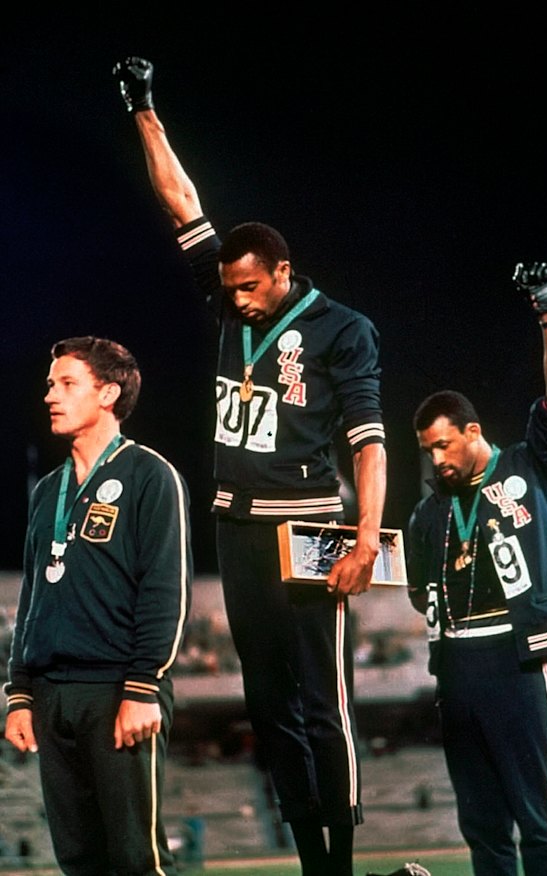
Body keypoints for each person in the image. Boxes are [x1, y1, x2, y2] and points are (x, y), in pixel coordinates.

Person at [113, 57, 387, 876]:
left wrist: (366, 537)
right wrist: (144, 109)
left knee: (323, 703)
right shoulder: (229, 295)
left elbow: (369, 441)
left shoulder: (344, 330)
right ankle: (310, 859)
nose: (233, 301)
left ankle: (341, 856)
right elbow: (183, 205)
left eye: (247, 288)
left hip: (312, 529)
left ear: (281, 272)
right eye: (227, 289)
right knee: (269, 708)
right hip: (237, 526)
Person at [407, 261, 547, 876]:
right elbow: (414, 592)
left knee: (537, 822)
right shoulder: (428, 515)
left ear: (473, 431)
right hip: (454, 668)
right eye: (427, 449)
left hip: (516, 657)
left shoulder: (526, 468)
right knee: (481, 827)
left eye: (444, 445)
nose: (436, 458)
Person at [4, 336, 193, 876]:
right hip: (50, 695)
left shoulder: (150, 476)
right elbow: (33, 597)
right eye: (49, 384)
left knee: (138, 861)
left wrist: (142, 687)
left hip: (117, 693)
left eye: (67, 384)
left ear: (108, 393)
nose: (50, 396)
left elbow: (165, 591)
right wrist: (20, 694)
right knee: (80, 861)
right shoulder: (47, 492)